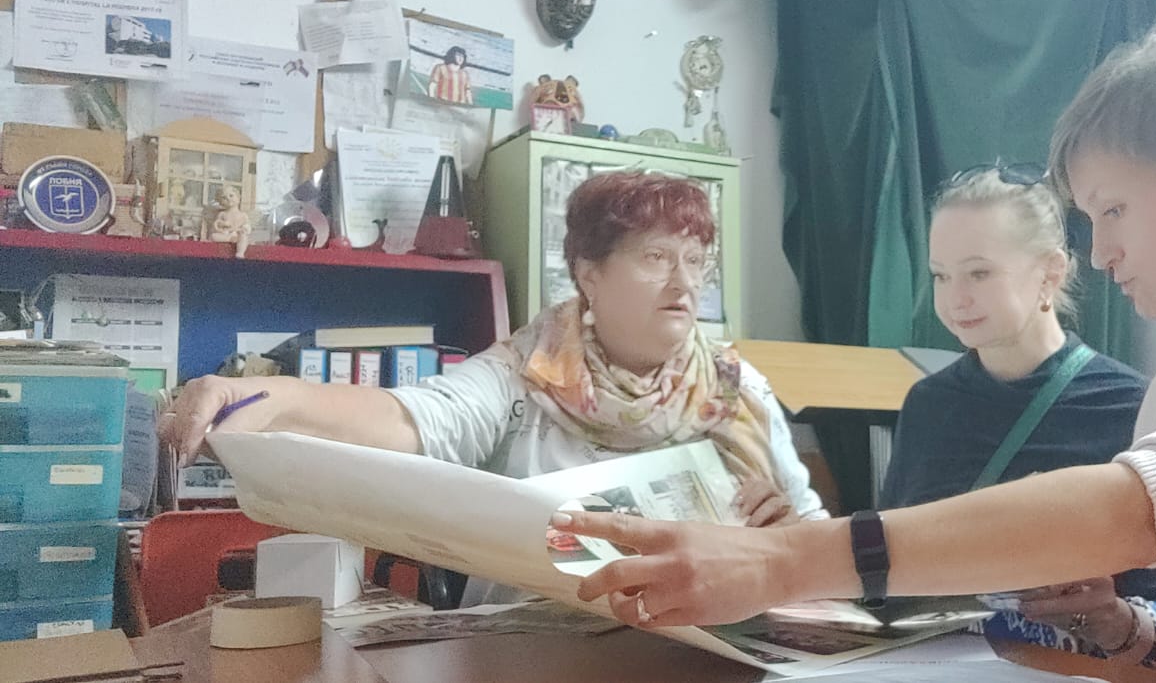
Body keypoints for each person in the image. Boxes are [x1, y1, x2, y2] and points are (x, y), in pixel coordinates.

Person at [553, 31, 1156, 682]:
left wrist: (780, 559)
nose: (1101, 252)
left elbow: (1125, 508)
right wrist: (1128, 634)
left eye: (1113, 210)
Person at [160, 171, 828, 606]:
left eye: (695, 262)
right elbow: (410, 418)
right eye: (656, 257)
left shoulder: (738, 390)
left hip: (702, 653)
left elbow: (811, 536)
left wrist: (785, 541)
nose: (684, 284)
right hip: (532, 653)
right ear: (588, 274)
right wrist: (270, 398)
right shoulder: (523, 375)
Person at [880, 163, 1156, 664]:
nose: (955, 299)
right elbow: (888, 576)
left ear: (1050, 273)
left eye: (979, 272)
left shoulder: (1130, 407)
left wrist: (1113, 617)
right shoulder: (927, 405)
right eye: (941, 275)